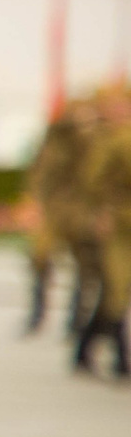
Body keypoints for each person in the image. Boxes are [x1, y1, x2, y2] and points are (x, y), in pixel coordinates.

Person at [74, 85, 131, 378]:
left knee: (117, 290)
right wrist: (103, 212)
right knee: (116, 289)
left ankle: (86, 349)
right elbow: (92, 182)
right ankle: (119, 359)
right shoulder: (107, 140)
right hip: (119, 224)